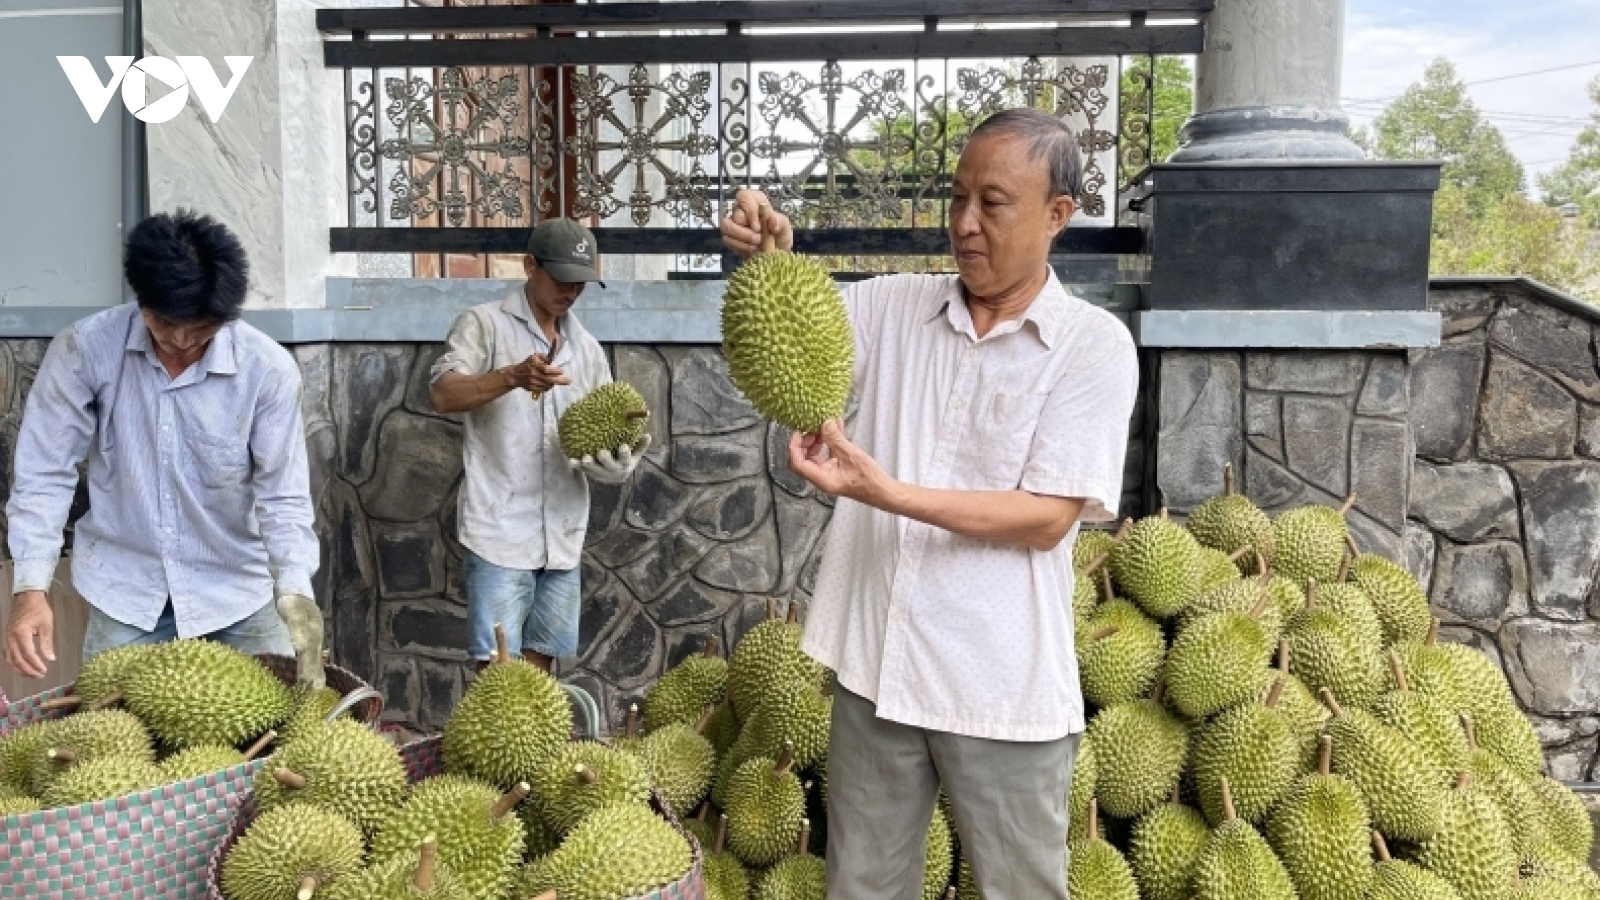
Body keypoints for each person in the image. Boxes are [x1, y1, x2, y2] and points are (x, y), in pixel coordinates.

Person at [719, 108, 1140, 900]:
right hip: (877, 665)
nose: (965, 225)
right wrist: (768, 255)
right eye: (956, 199)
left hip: (1000, 682)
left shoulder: (1092, 346)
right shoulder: (889, 308)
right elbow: (795, 336)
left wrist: (888, 494)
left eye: (992, 202)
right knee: (863, 886)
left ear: (1057, 215)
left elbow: (1046, 516)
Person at [5, 209, 323, 683]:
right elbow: (44, 473)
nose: (179, 341)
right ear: (140, 298)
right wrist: (30, 589)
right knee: (115, 744)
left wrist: (296, 593)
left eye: (200, 330)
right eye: (165, 322)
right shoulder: (85, 350)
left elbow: (283, 495)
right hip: (124, 590)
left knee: (271, 743)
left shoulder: (267, 371)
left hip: (237, 589)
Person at [431, 218, 646, 674]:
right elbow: (443, 394)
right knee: (498, 677)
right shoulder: (484, 325)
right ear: (530, 265)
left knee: (539, 675)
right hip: (499, 532)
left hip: (563, 536)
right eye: (562, 278)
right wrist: (512, 376)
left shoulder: (586, 349)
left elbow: (603, 431)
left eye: (581, 283)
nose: (571, 291)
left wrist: (615, 465)